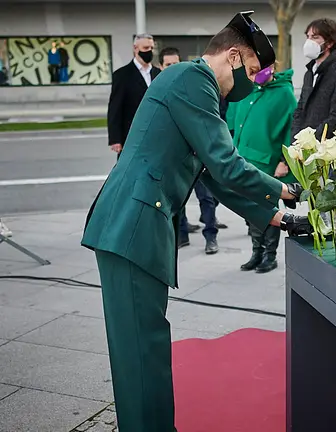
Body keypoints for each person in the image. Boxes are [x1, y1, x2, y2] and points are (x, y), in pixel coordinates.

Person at [81, 12, 312, 431]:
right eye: (252, 71)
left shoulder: (191, 84)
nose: (250, 82)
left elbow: (212, 175)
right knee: (141, 351)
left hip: (133, 226)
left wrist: (278, 217)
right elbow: (226, 164)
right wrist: (288, 190)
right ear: (234, 56)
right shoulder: (193, 79)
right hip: (131, 226)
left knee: (145, 348)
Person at [227, 62, 297, 272]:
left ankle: (270, 255)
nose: (256, 73)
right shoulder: (245, 89)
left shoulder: (284, 94)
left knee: (267, 208)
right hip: (242, 159)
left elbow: (291, 128)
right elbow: (232, 122)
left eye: (260, 68)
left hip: (268, 162)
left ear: (272, 67)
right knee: (251, 210)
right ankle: (256, 252)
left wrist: (285, 161)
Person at [156, 46, 222, 254]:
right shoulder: (159, 90)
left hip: (199, 154)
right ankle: (181, 235)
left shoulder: (193, 85)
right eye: (168, 64)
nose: (172, 67)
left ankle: (211, 237)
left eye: (175, 63)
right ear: (161, 66)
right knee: (178, 198)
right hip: (176, 157)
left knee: (207, 198)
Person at [291, 18, 336, 141]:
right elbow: (300, 110)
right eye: (308, 37)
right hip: (303, 145)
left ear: (330, 42)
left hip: (324, 145)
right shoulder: (310, 72)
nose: (309, 42)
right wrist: (296, 139)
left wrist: (311, 141)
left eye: (315, 37)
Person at [107, 34, 161, 156]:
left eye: (152, 48)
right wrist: (115, 139)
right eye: (146, 48)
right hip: (131, 134)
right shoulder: (122, 75)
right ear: (135, 48)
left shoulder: (158, 73)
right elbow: (115, 107)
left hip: (156, 134)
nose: (149, 51)